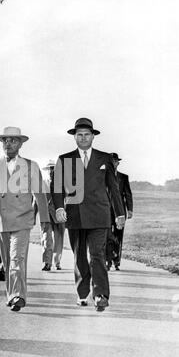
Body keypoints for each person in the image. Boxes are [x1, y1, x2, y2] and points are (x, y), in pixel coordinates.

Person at [52, 118, 125, 312]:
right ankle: (82, 293)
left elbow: (114, 188)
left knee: (97, 254)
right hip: (74, 215)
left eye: (86, 135)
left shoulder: (105, 158)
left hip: (100, 216)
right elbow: (57, 187)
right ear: (74, 137)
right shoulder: (64, 159)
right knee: (79, 257)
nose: (83, 138)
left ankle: (101, 294)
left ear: (93, 136)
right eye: (79, 135)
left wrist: (119, 213)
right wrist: (59, 208)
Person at [0, 126, 50, 312]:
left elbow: (40, 193)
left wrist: (45, 219)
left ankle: (18, 296)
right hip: (1, 221)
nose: (8, 144)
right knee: (8, 261)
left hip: (22, 220)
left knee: (17, 258)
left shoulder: (30, 165)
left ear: (20, 144)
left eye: (12, 140)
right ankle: (11, 295)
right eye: (5, 140)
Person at [106, 152, 133, 271]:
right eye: (111, 162)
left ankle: (116, 262)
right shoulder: (103, 176)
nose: (113, 164)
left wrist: (130, 209)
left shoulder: (123, 177)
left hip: (120, 211)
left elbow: (128, 194)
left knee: (118, 236)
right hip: (106, 211)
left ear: (117, 163)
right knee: (107, 235)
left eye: (115, 162)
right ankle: (108, 260)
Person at [40, 160, 65, 271]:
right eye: (49, 169)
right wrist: (32, 215)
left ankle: (57, 261)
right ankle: (47, 262)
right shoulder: (42, 184)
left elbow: (68, 200)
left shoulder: (63, 184)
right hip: (46, 215)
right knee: (47, 239)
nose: (51, 171)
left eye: (53, 168)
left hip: (59, 216)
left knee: (59, 240)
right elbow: (36, 201)